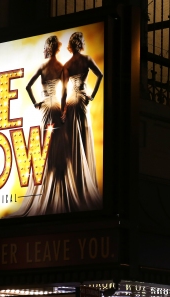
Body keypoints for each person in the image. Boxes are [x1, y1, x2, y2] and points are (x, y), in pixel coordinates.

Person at [9, 35, 82, 216]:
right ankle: (58, 189)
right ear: (57, 49)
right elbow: (64, 93)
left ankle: (47, 189)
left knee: (46, 146)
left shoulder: (43, 68)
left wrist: (37, 102)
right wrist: (64, 110)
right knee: (58, 146)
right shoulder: (62, 68)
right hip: (56, 107)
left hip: (46, 108)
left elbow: (28, 86)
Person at [61, 31, 103, 210]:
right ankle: (83, 183)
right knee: (83, 138)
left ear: (71, 45)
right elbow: (100, 75)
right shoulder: (87, 60)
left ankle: (76, 184)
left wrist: (63, 110)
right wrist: (91, 95)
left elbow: (63, 91)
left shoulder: (67, 64)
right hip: (82, 99)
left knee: (72, 141)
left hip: (71, 100)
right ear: (81, 44)